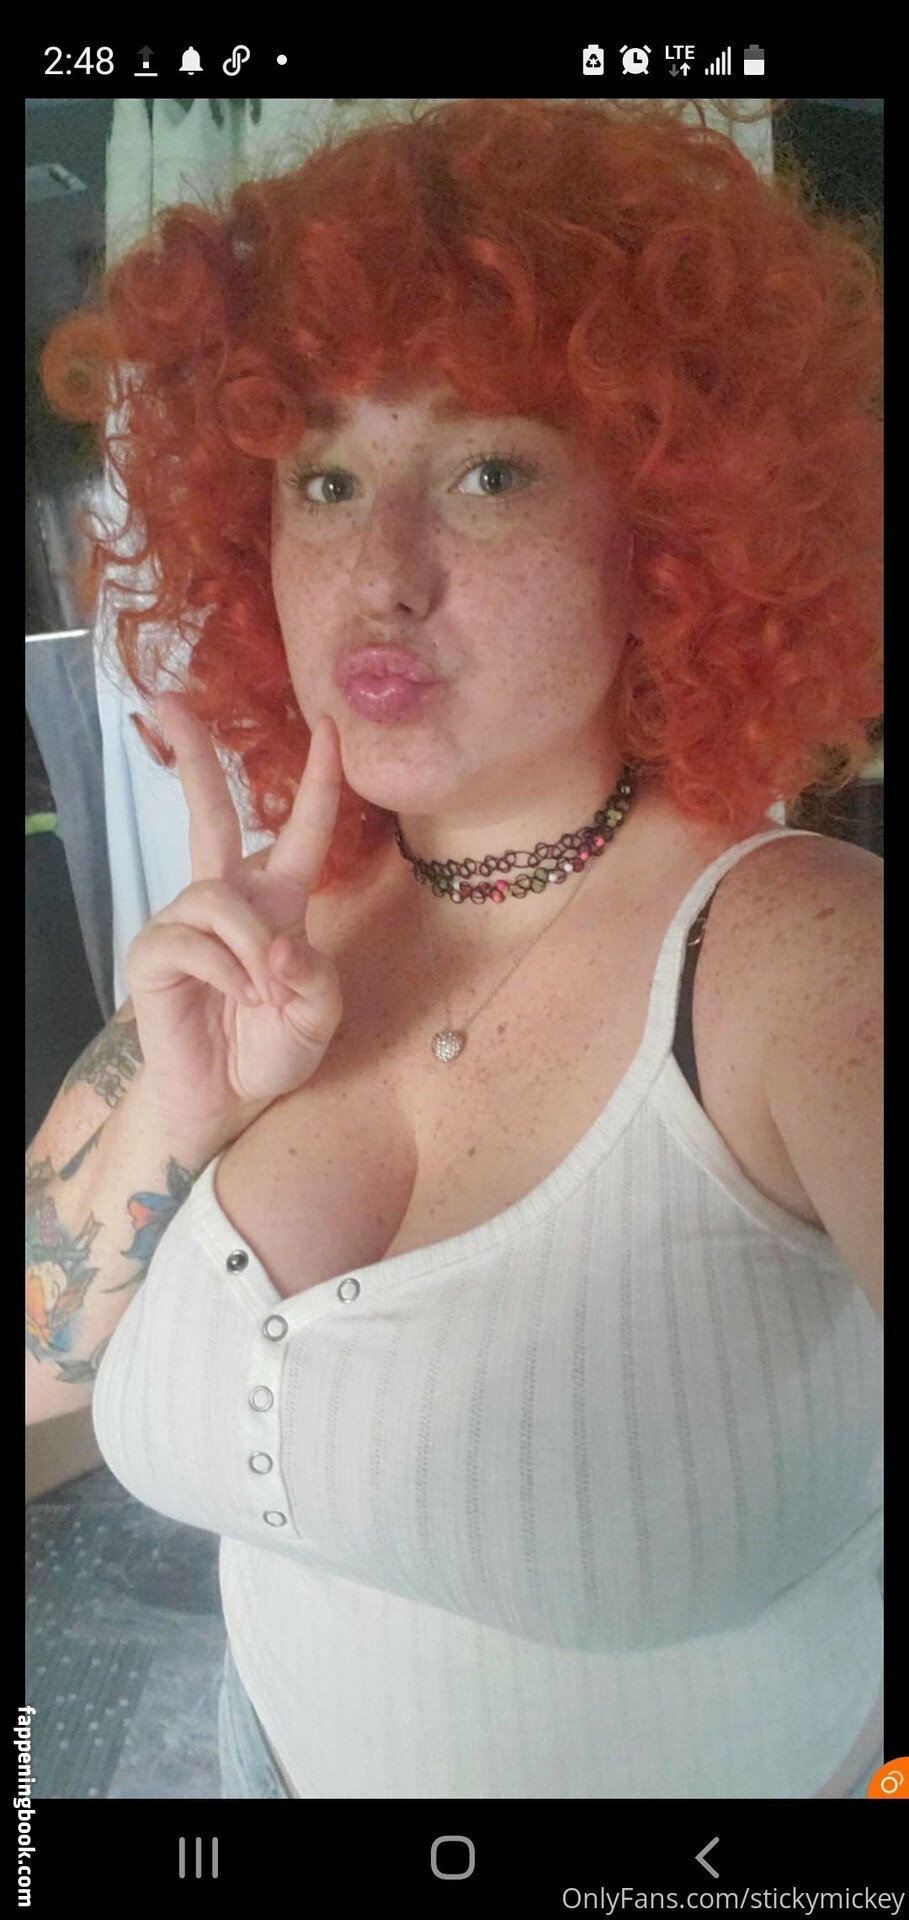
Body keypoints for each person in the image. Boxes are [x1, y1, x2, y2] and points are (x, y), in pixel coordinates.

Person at [27, 98, 883, 1799]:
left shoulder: (805, 970)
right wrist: (177, 1110)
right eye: (325, 479)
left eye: (489, 471)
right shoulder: (259, 938)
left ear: (671, 530)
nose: (379, 573)